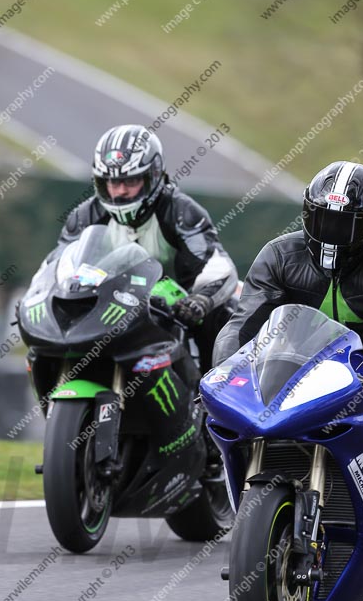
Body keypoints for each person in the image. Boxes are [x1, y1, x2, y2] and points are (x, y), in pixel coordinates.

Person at [213, 160, 363, 544]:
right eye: (324, 220)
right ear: (308, 215)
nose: (333, 234)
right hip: (295, 365)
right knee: (226, 417)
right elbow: (241, 323)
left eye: (346, 225)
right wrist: (224, 370)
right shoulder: (278, 255)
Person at [44, 123, 238, 458]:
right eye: (111, 182)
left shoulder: (181, 210)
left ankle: (215, 411)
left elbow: (216, 263)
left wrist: (200, 299)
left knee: (221, 318)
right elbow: (58, 263)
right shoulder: (86, 214)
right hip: (112, 305)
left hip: (178, 302)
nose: (119, 192)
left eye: (130, 181)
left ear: (154, 177)